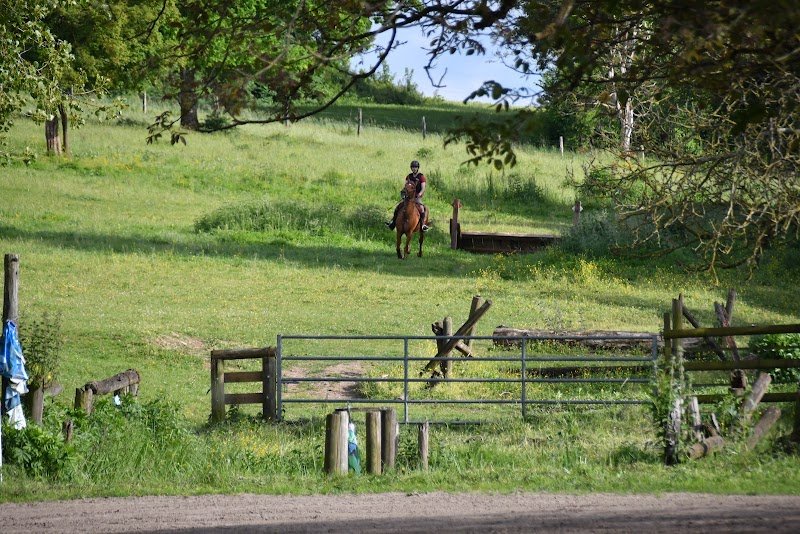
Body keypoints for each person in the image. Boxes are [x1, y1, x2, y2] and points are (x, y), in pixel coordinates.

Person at [385, 160, 429, 231]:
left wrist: (420, 194)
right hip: (408, 197)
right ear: (411, 168)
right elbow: (405, 186)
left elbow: (423, 188)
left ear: (418, 168)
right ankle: (393, 223)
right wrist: (404, 193)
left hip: (417, 196)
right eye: (413, 167)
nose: (414, 168)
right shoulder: (409, 176)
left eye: (415, 167)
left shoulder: (421, 177)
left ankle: (423, 225)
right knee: (398, 207)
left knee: (422, 208)